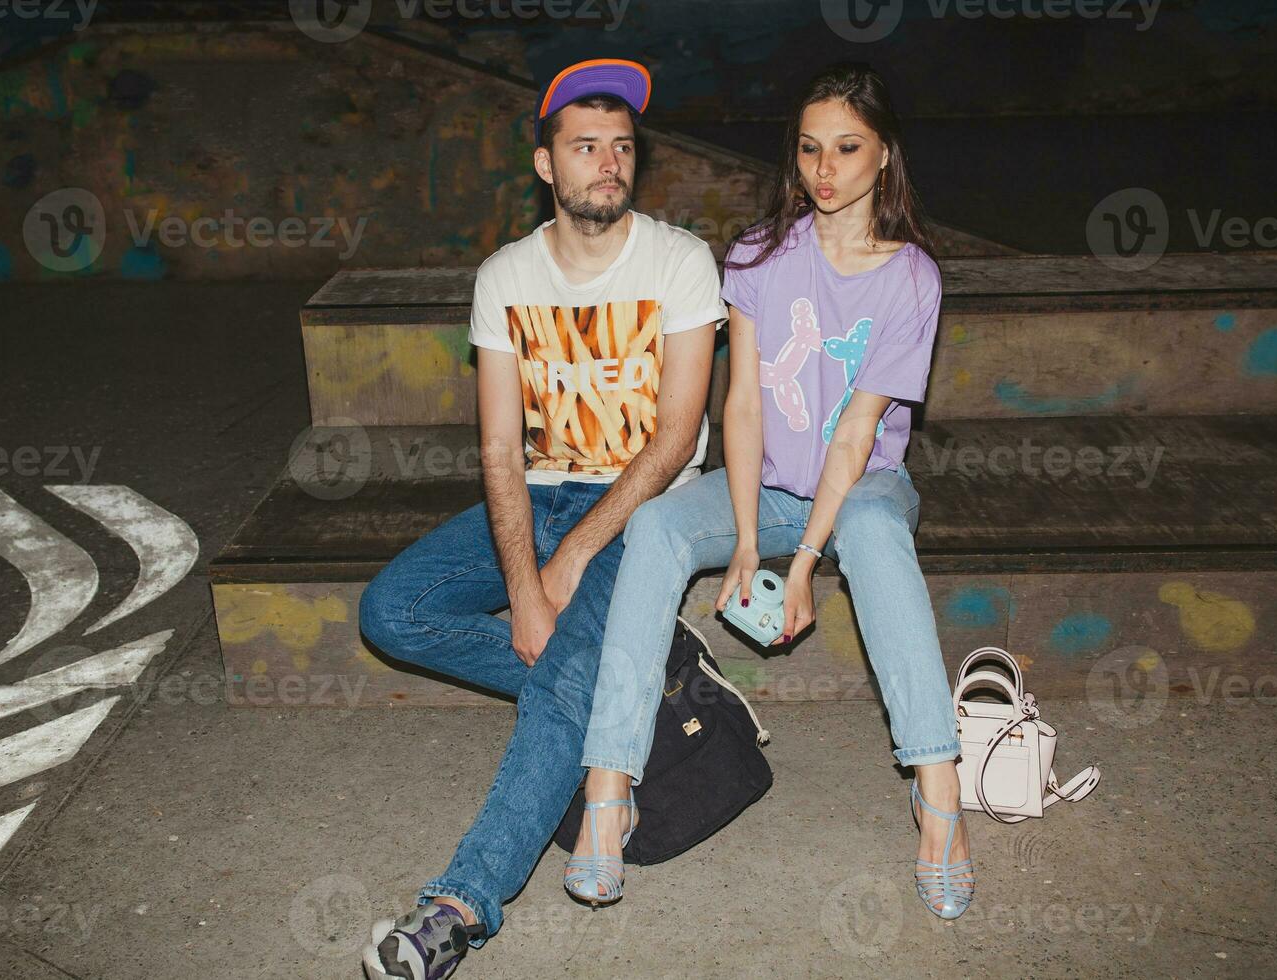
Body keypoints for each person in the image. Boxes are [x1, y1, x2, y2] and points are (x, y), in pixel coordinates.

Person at [568, 61, 974, 920]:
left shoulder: (911, 279)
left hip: (862, 489)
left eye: (847, 148)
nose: (825, 169)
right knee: (657, 529)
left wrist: (804, 564)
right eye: (809, 149)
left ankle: (939, 798)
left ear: (884, 156)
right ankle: (610, 788)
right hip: (763, 485)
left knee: (872, 533)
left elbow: (859, 435)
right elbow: (741, 402)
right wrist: (750, 542)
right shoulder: (758, 256)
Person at [357, 58, 727, 980]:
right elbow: (498, 452)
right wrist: (526, 585)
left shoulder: (681, 260)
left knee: (563, 680)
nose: (608, 163)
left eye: (622, 147)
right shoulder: (506, 278)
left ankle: (457, 906)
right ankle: (618, 692)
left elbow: (677, 439)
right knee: (393, 612)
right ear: (544, 164)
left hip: (644, 504)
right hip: (544, 492)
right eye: (585, 146)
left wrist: (566, 570)